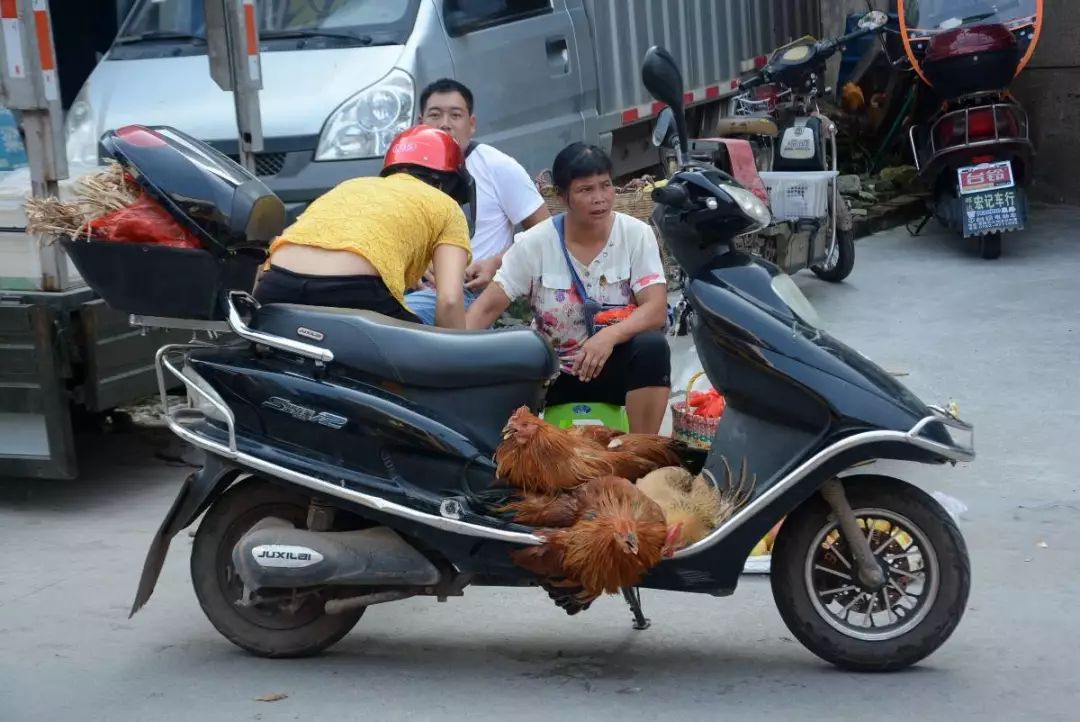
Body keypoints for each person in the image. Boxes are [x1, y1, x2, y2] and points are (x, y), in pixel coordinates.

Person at [465, 142, 671, 434]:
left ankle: (641, 452)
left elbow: (655, 309)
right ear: (562, 197)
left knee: (652, 348)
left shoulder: (636, 235)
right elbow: (484, 310)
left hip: (612, 368)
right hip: (554, 375)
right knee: (513, 353)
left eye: (605, 186)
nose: (600, 198)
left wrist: (609, 337)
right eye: (586, 190)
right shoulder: (534, 243)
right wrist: (447, 357)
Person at [253, 126, 473, 328]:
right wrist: (456, 364)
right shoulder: (447, 206)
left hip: (277, 283)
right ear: (446, 184)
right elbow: (450, 301)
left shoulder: (353, 185)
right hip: (354, 291)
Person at [404, 78, 549, 325]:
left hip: (470, 293)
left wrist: (496, 263)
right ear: (420, 123)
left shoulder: (498, 167)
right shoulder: (406, 168)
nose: (445, 125)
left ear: (472, 124)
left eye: (456, 115)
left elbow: (546, 232)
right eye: (435, 115)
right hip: (411, 287)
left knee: (396, 319)